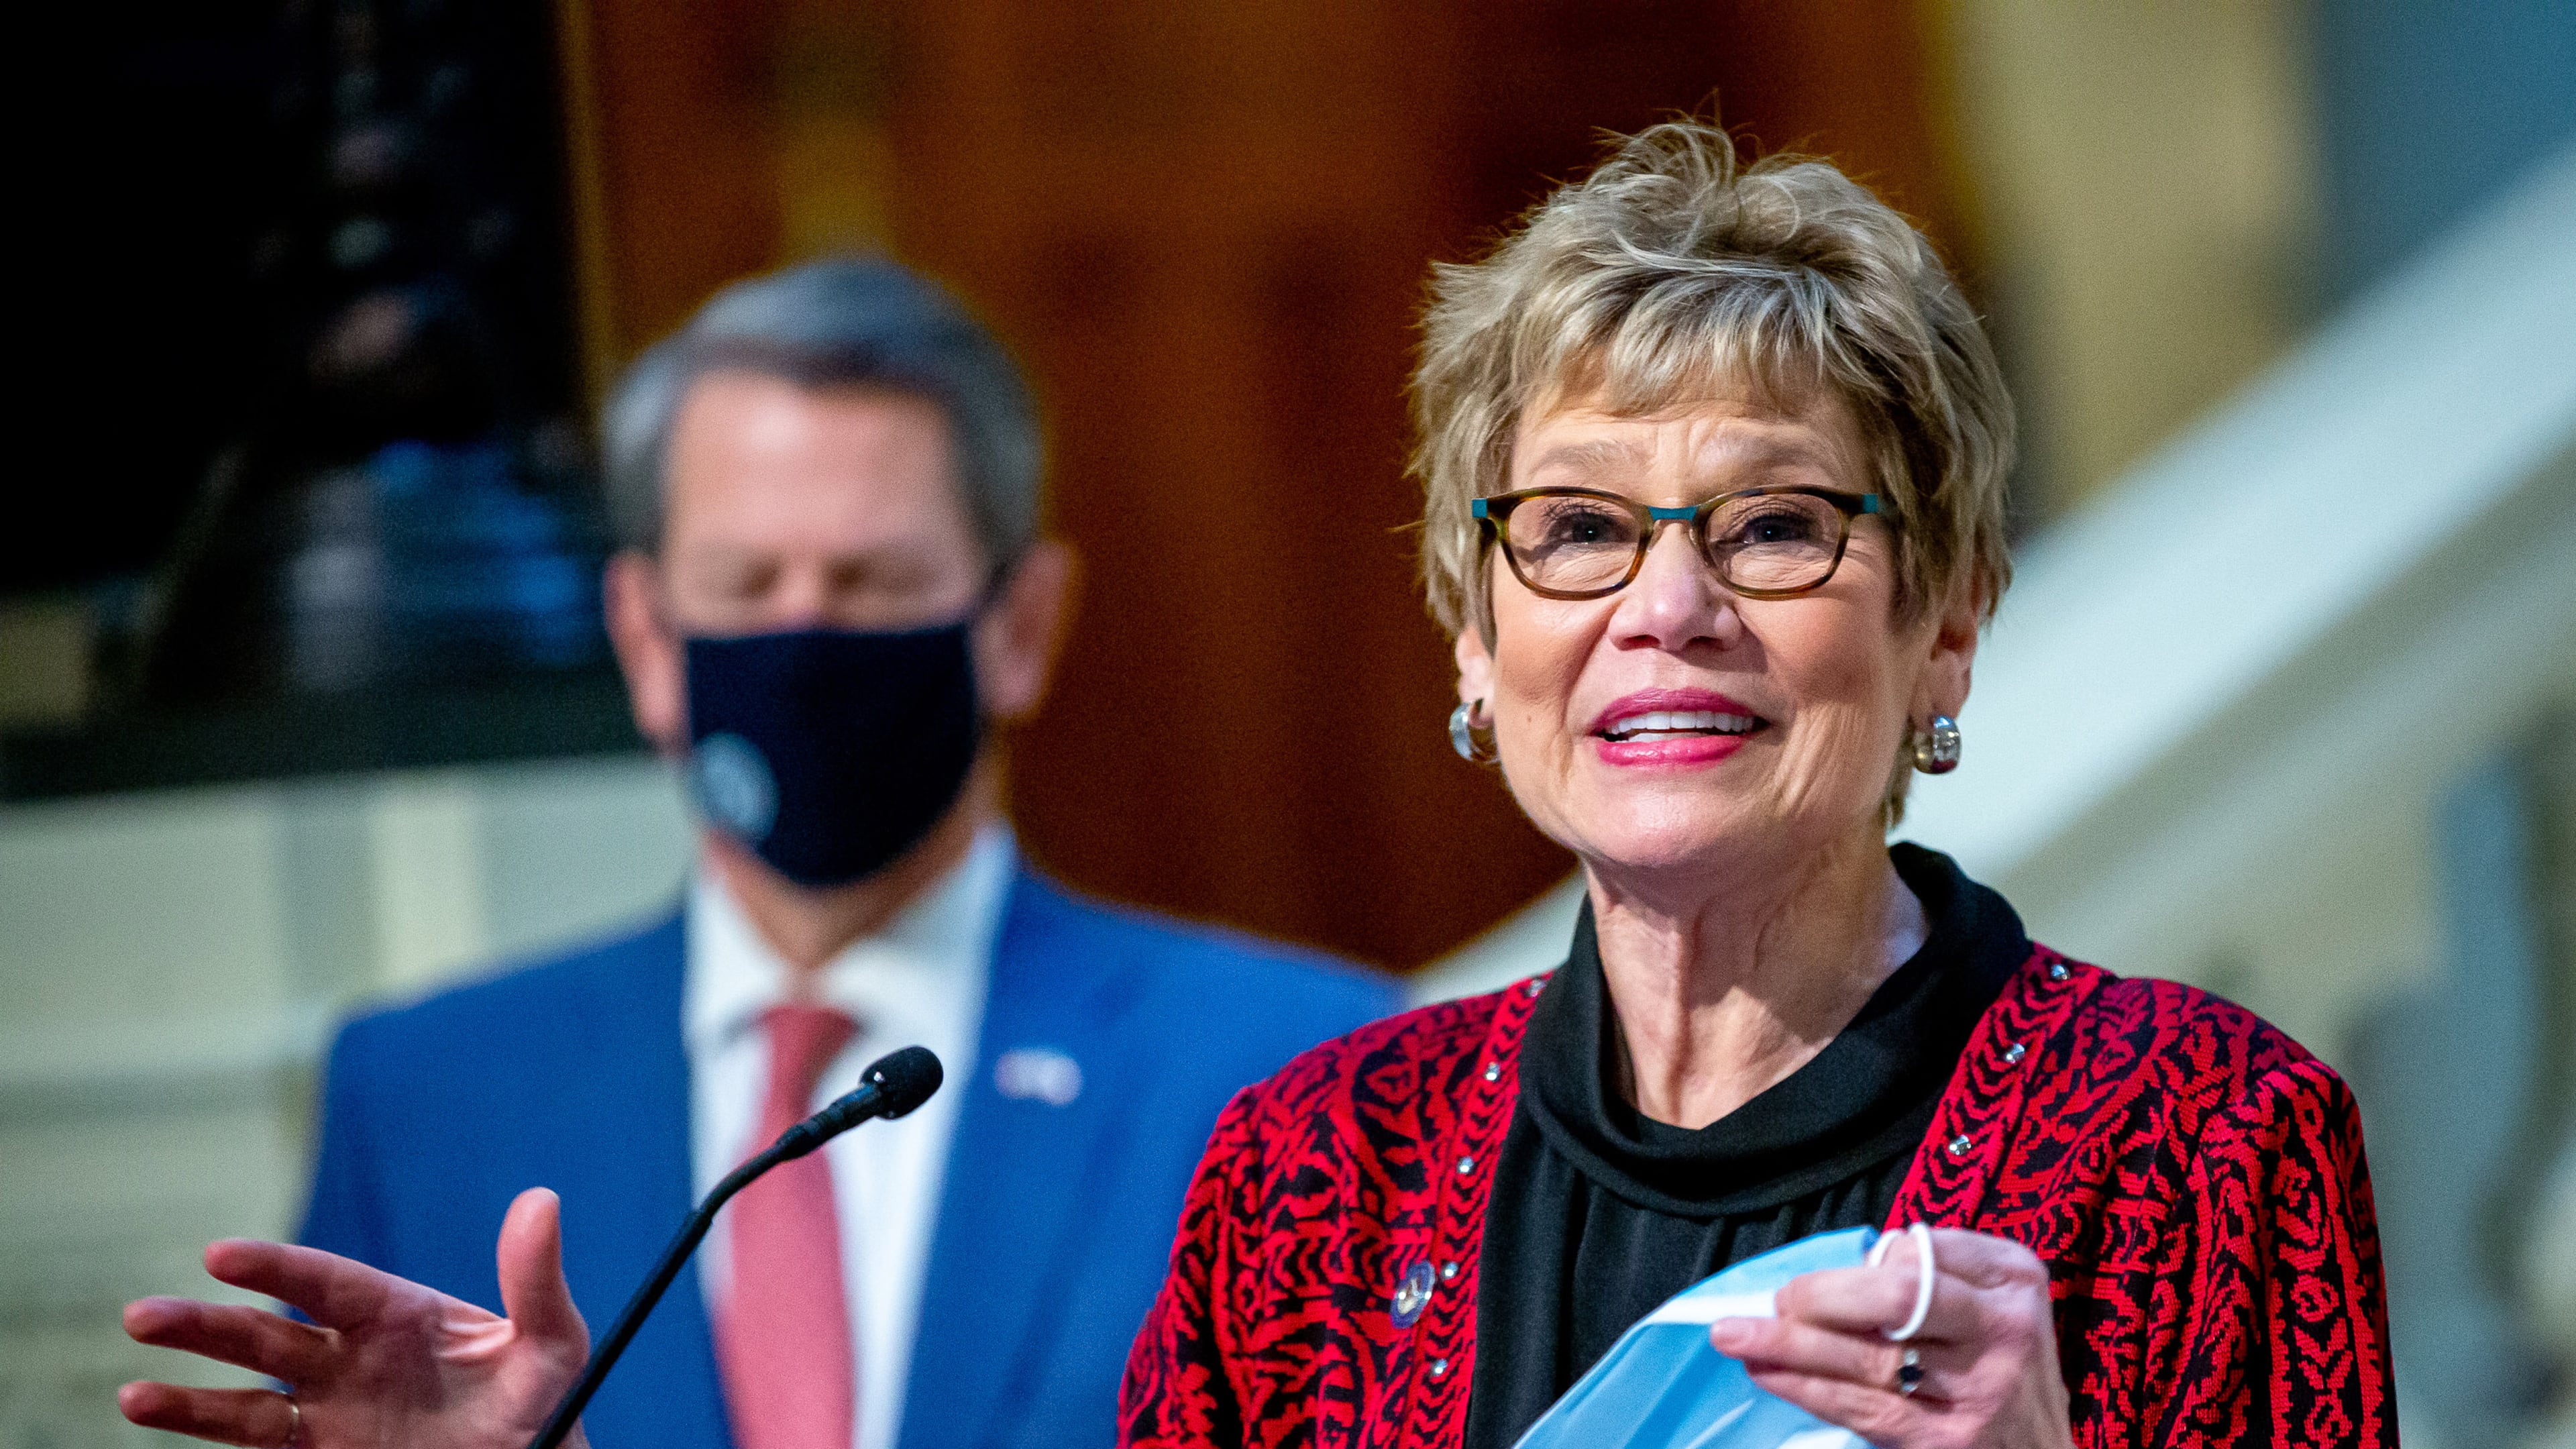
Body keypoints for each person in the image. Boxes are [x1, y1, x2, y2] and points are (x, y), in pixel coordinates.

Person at [119, 125, 2394, 1449]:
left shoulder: (2207, 1145)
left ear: (1950, 622)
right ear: (1475, 640)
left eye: (1780, 526)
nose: (1667, 607)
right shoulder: (1313, 1172)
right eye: (1573, 531)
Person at [117, 258, 1396, 1449]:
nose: (805, 641)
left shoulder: (1305, 1072)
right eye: (743, 587)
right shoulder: (424, 1097)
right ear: (645, 639)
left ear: (1020, 626)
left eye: (873, 583)